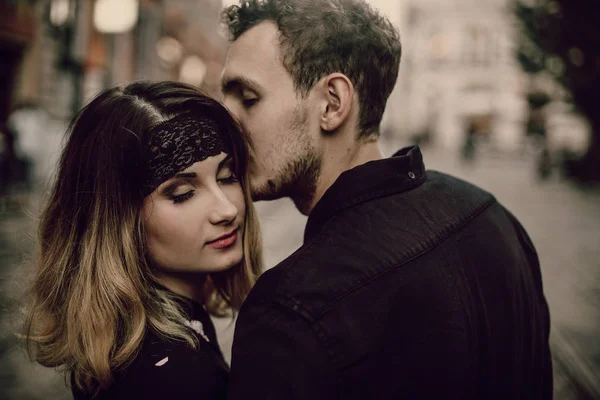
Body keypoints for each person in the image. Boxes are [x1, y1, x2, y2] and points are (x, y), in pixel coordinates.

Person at [220, 0, 553, 399]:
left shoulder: (290, 310)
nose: (225, 120)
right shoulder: (492, 217)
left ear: (332, 103)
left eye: (247, 97)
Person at [23, 81, 262, 399]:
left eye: (227, 176)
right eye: (183, 194)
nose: (227, 209)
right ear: (116, 219)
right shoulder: (177, 378)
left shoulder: (127, 342)